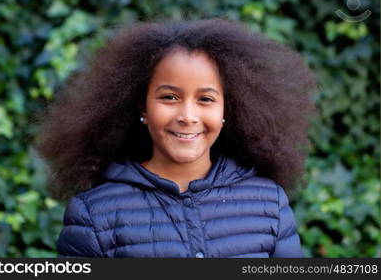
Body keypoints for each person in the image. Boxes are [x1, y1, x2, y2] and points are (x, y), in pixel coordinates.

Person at [32, 18, 318, 258]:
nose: (187, 115)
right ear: (142, 106)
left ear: (227, 109)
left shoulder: (268, 205)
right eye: (169, 97)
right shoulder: (94, 215)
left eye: (206, 99)